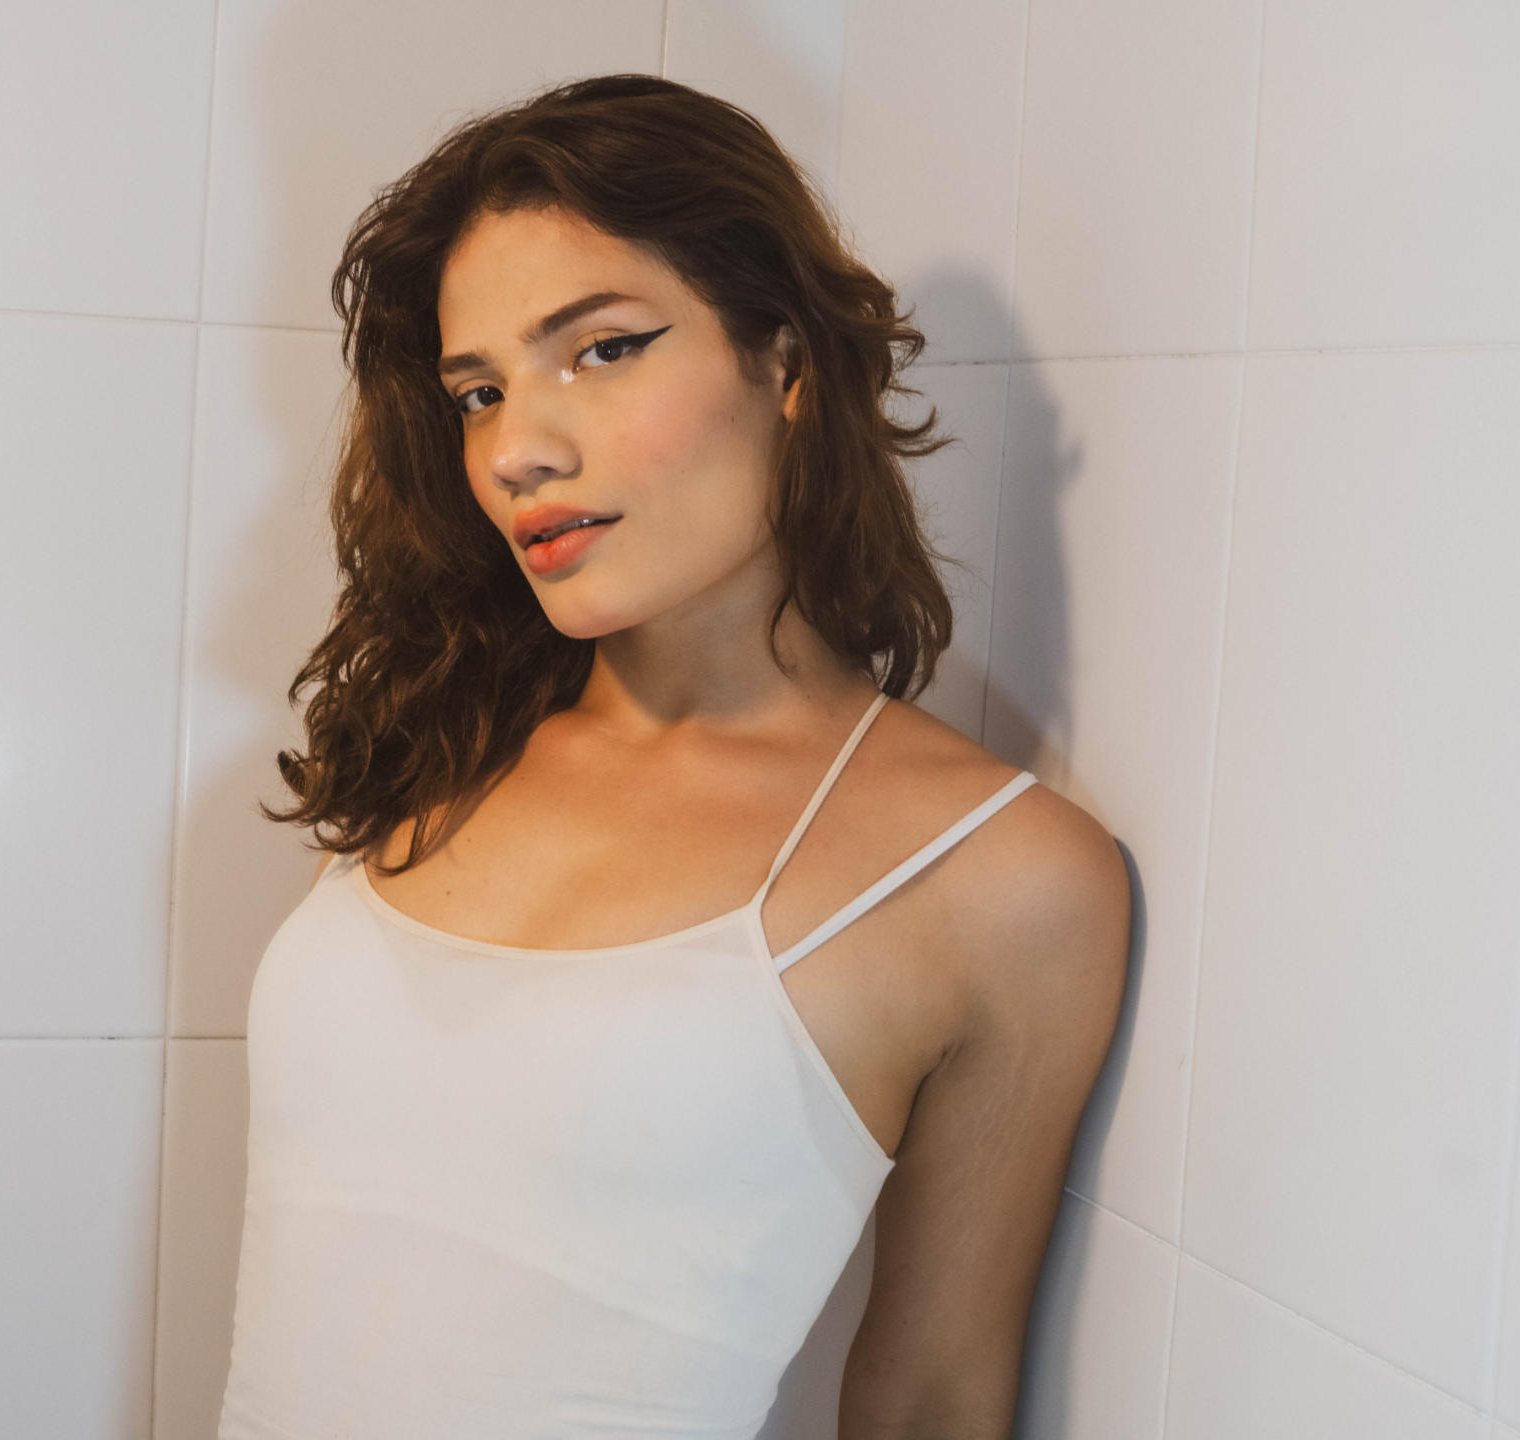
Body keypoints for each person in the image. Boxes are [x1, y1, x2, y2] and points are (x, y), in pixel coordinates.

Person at [217, 74, 1130, 1439]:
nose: (517, 450)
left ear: (787, 363)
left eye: (601, 350)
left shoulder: (998, 878)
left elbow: (934, 1399)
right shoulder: (442, 738)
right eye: (478, 392)